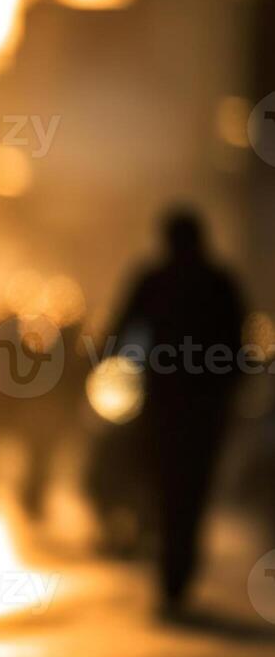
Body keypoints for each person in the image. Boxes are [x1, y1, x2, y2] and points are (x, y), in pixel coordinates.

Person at [108, 207, 246, 613]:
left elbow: (120, 330)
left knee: (168, 482)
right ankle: (179, 563)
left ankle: (175, 565)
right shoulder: (219, 282)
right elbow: (240, 347)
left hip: (171, 402)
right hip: (201, 405)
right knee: (190, 487)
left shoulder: (156, 279)